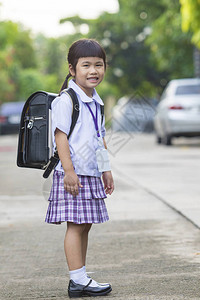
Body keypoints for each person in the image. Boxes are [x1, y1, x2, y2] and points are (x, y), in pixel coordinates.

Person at [45, 39, 114, 298]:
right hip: (73, 173)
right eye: (86, 65)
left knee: (85, 225)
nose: (93, 71)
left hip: (91, 171)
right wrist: (69, 172)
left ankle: (81, 276)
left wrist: (106, 169)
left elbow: (100, 137)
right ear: (72, 69)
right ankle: (77, 280)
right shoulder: (66, 100)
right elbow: (60, 137)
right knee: (76, 226)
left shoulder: (96, 101)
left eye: (99, 65)